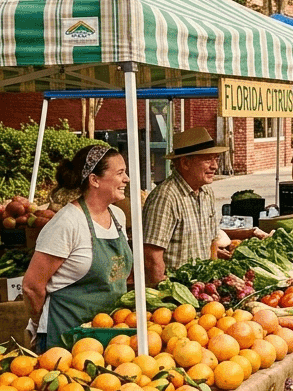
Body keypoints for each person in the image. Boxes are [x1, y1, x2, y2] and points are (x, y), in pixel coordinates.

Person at [23, 146, 132, 351]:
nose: (126, 179)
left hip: (110, 336)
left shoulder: (118, 216)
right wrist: (39, 324)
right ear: (95, 180)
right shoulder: (67, 223)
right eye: (120, 173)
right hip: (66, 337)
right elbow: (32, 286)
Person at [143, 127, 230, 283]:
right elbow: (151, 258)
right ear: (185, 163)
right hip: (176, 290)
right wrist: (168, 292)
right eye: (207, 159)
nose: (214, 166)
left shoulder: (207, 193)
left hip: (200, 288)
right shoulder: (165, 197)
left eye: (216, 159)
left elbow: (212, 243)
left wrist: (213, 280)